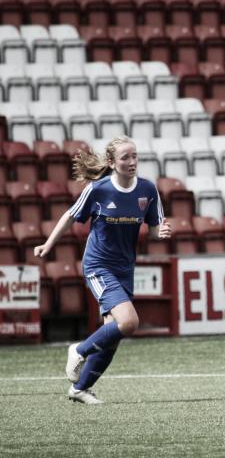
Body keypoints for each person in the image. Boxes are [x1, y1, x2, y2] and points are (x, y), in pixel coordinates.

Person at [34, 135, 172, 405]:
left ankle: (80, 389)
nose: (132, 162)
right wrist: (48, 244)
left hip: (124, 269)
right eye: (125, 158)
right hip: (98, 266)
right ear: (111, 162)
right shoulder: (98, 189)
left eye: (135, 156)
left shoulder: (147, 189)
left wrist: (161, 232)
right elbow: (70, 215)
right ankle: (79, 349)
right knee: (129, 323)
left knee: (114, 335)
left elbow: (154, 229)